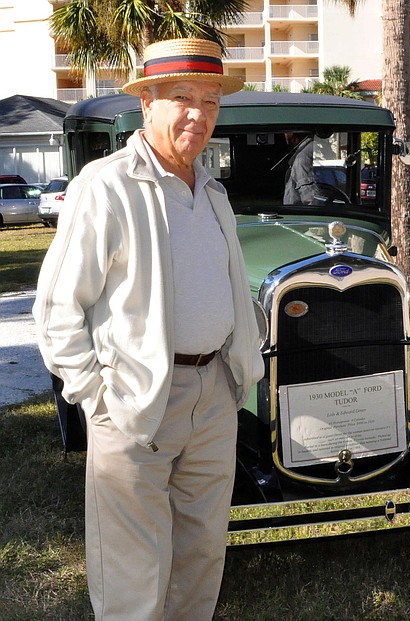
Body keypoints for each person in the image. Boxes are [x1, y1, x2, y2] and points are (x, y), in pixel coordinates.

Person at [34, 38, 265, 621]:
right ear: (148, 104)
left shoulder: (211, 190)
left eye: (211, 101)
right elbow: (59, 307)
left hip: (214, 395)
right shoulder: (105, 185)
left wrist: (235, 375)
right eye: (183, 98)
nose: (199, 114)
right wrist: (97, 398)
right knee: (132, 571)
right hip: (135, 400)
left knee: (201, 556)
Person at [283, 131, 317, 205]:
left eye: (285, 132)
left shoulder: (302, 158)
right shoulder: (314, 147)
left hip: (300, 214)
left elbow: (310, 199)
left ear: (292, 133)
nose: (285, 135)